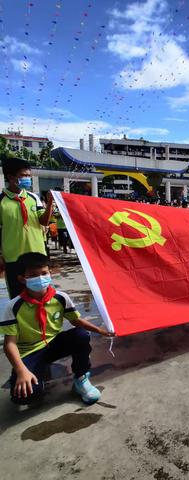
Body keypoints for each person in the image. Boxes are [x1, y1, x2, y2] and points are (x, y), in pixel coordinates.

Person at [0, 252, 114, 405]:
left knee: (81, 335)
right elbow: (10, 344)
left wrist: (100, 331)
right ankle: (27, 373)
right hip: (29, 351)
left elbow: (76, 321)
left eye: (44, 273)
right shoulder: (13, 306)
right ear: (22, 278)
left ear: (50, 273)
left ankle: (81, 379)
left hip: (54, 344)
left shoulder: (60, 298)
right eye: (33, 275)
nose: (40, 278)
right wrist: (21, 371)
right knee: (25, 396)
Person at [0, 157, 54, 298]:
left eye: (29, 176)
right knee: (18, 297)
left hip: (37, 255)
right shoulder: (1, 201)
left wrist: (49, 204)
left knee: (42, 295)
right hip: (13, 258)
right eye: (24, 176)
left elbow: (44, 222)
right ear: (11, 177)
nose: (27, 179)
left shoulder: (33, 198)